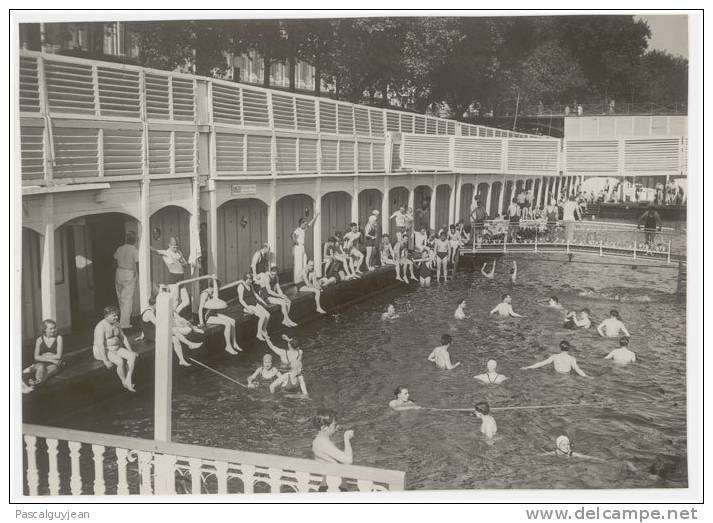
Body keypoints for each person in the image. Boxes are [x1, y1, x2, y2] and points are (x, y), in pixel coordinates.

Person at [140, 297, 201, 366]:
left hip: (154, 333)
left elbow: (145, 326)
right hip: (153, 335)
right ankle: (190, 344)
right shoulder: (149, 313)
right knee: (174, 330)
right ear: (155, 304)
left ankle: (181, 360)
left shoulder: (151, 310)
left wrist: (142, 335)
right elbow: (158, 325)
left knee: (175, 339)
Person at [93, 306, 138, 391]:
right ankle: (124, 382)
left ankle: (128, 379)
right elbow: (100, 345)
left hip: (116, 348)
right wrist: (105, 360)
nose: (116, 317)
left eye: (117, 315)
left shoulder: (116, 324)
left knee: (132, 356)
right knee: (120, 361)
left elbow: (123, 338)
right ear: (107, 316)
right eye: (114, 315)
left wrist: (131, 351)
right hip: (103, 351)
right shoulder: (101, 327)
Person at [198, 279, 242, 354]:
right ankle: (228, 346)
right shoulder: (205, 294)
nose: (218, 289)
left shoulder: (213, 293)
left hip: (213, 314)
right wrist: (201, 322)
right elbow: (200, 309)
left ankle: (234, 343)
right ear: (213, 287)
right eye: (217, 288)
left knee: (232, 321)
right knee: (227, 324)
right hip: (207, 317)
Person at [521, 340, 592, 378]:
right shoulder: (571, 358)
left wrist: (527, 367)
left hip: (556, 375)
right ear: (569, 349)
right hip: (566, 376)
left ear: (560, 348)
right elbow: (578, 370)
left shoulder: (554, 356)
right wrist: (587, 376)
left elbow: (541, 364)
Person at [113, 231, 139, 329]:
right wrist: (139, 274)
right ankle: (124, 323)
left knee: (120, 298)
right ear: (135, 240)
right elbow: (137, 263)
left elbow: (114, 260)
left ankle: (121, 321)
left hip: (119, 272)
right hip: (128, 273)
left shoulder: (120, 248)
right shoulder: (134, 250)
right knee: (128, 299)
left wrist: (116, 272)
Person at [27, 319, 64, 386]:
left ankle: (37, 381)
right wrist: (52, 360)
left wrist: (43, 356)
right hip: (45, 362)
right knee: (41, 367)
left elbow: (58, 356)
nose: (53, 330)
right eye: (51, 328)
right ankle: (36, 378)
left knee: (50, 370)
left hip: (54, 364)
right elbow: (35, 357)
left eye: (54, 328)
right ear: (45, 329)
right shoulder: (39, 340)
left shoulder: (59, 338)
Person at [237, 272, 271, 340]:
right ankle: (258, 334)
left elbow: (255, 294)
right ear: (245, 279)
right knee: (262, 316)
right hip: (247, 305)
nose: (250, 281)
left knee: (267, 314)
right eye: (249, 280)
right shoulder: (241, 286)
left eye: (251, 279)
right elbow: (241, 300)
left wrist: (263, 302)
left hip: (254, 303)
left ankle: (263, 330)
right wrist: (247, 308)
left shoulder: (251, 285)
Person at [292, 213, 319, 285]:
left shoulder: (303, 230)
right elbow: (292, 235)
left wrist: (316, 216)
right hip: (298, 247)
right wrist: (296, 242)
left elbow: (310, 224)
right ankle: (297, 281)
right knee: (298, 264)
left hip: (302, 247)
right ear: (301, 223)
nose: (306, 225)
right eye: (305, 224)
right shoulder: (297, 230)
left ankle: (303, 278)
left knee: (304, 262)